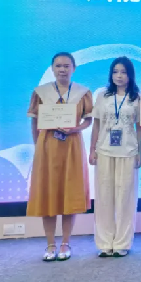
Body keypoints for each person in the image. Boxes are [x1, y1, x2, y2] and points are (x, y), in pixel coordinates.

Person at [27, 52, 93, 261]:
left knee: (68, 193)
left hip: (72, 146)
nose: (62, 70)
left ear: (73, 68)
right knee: (48, 194)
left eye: (66, 66)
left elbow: (88, 121)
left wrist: (75, 128)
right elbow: (34, 122)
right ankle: (50, 244)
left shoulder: (83, 92)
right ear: (52, 69)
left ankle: (65, 243)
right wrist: (38, 145)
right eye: (58, 66)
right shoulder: (41, 92)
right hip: (47, 147)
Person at [89, 57, 141, 258]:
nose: (119, 76)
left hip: (128, 152)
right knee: (104, 197)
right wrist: (92, 149)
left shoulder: (138, 98)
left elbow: (140, 128)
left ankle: (122, 243)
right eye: (115, 72)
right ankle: (105, 243)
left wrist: (140, 152)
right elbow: (96, 124)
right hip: (104, 151)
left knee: (125, 198)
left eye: (123, 72)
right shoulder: (102, 96)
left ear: (130, 75)